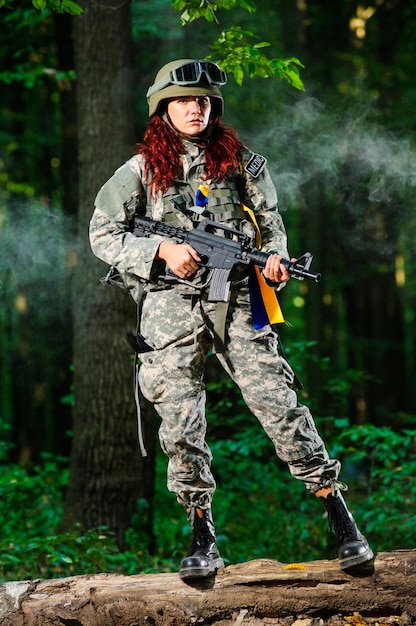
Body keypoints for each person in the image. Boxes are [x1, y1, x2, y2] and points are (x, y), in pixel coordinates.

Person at [89, 59, 374, 580]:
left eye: (202, 101)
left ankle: (341, 518)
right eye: (182, 101)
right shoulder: (139, 171)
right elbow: (102, 235)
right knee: (179, 421)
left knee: (276, 400)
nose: (194, 109)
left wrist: (274, 260)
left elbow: (271, 225)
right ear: (163, 110)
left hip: (238, 296)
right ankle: (202, 536)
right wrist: (162, 250)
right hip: (169, 305)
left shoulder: (241, 161)